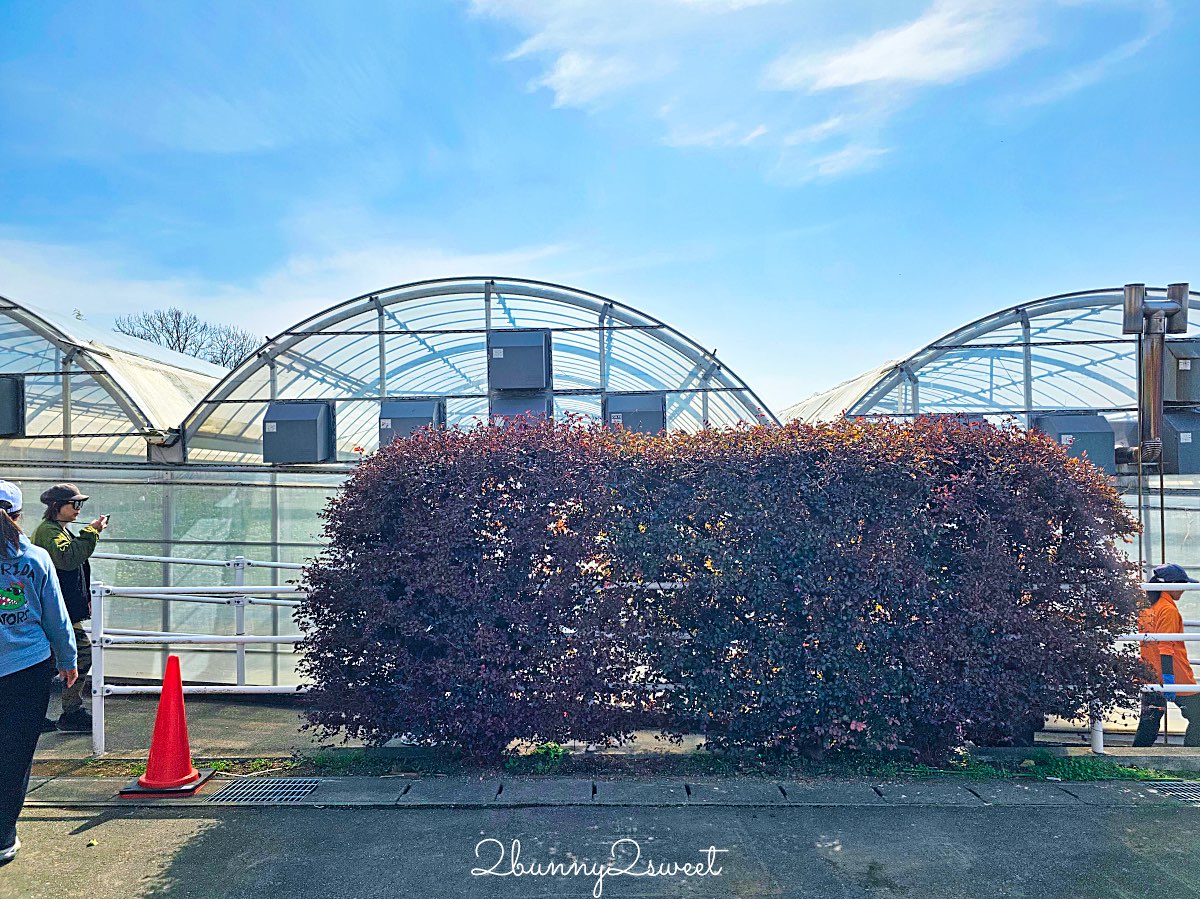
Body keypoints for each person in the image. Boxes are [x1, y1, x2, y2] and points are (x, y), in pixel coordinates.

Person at [0, 480, 77, 865]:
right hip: (26, 667)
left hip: (21, 665)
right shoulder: (33, 558)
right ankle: (3, 833)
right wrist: (68, 659)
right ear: (17, 516)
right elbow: (55, 615)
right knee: (15, 751)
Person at [31, 484, 106, 732]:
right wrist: (91, 533)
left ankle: (41, 713)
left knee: (52, 661)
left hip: (60, 609)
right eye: (74, 504)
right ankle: (68, 711)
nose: (78, 509)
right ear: (56, 507)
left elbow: (72, 567)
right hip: (54, 611)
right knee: (81, 653)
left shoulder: (56, 531)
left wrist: (83, 599)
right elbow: (68, 559)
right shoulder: (49, 532)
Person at [1133, 562, 1200, 747]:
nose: (1184, 589)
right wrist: (1170, 680)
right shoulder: (1168, 610)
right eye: (1182, 585)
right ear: (1171, 585)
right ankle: (1191, 758)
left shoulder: (1147, 608)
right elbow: (1166, 647)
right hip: (1175, 675)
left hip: (1150, 674)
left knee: (1149, 723)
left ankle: (1137, 760)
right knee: (1199, 717)